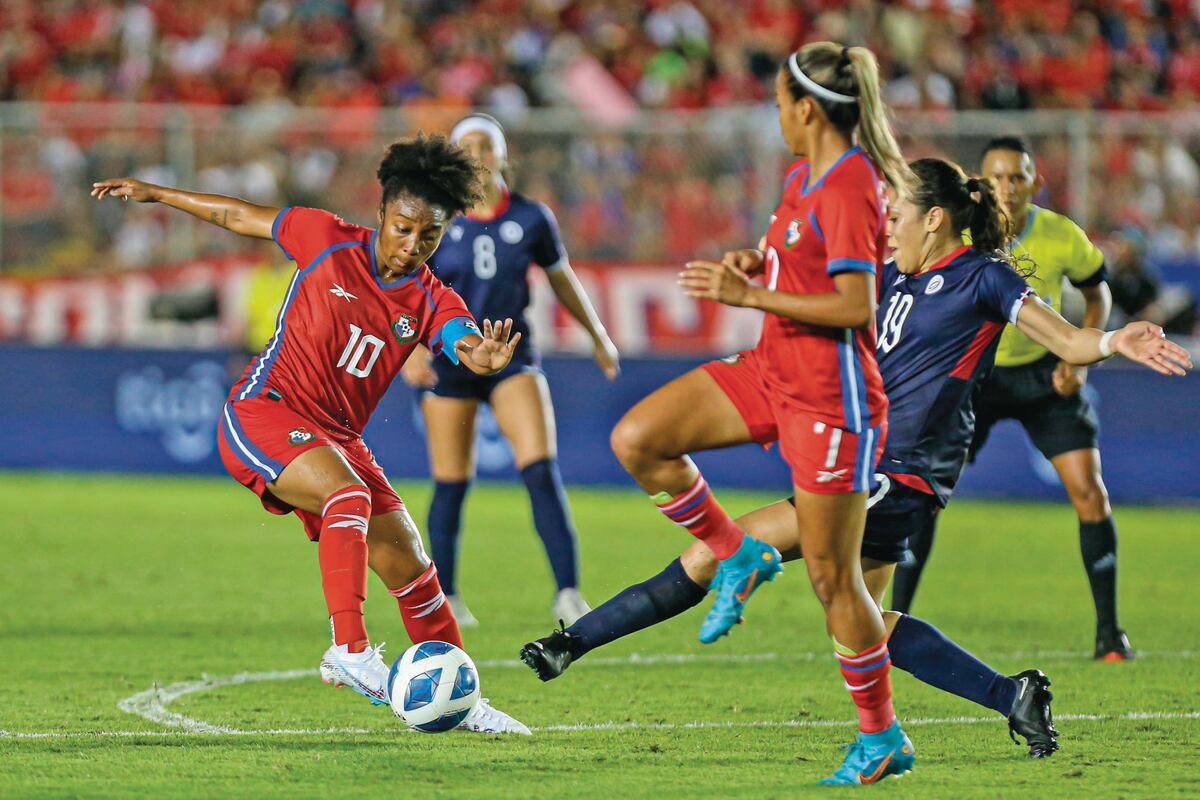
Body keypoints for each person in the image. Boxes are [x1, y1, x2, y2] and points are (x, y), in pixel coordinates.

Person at [521, 159, 1191, 763]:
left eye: (897, 213)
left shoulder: (983, 276)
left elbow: (1067, 339)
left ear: (935, 219)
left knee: (719, 554)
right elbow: (822, 279)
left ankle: (570, 644)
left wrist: (1115, 339)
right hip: (865, 457)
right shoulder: (891, 272)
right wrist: (761, 264)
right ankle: (1011, 694)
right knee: (865, 622)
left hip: (897, 472)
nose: (887, 223)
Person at [91, 135, 531, 734]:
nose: (411, 246)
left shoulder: (431, 297)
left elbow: (467, 345)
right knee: (347, 496)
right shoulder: (325, 239)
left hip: (338, 438)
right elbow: (237, 214)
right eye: (403, 228)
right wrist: (157, 193)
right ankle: (349, 651)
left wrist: (487, 358)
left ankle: (463, 699)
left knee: (414, 567)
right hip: (264, 412)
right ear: (381, 213)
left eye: (428, 237)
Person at [594, 43, 914, 785]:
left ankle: (882, 735)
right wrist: (757, 265)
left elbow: (855, 304)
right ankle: (735, 551)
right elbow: (800, 267)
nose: (774, 115)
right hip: (773, 370)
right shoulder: (804, 175)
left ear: (806, 108)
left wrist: (750, 297)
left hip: (834, 402)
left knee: (837, 583)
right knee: (640, 439)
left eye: (777, 103)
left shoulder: (849, 183)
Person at [889, 137, 1134, 661]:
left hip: (1045, 379)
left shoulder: (1060, 234)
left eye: (1017, 178)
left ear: (1033, 183)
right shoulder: (964, 235)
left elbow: (1098, 291)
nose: (1007, 187)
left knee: (1090, 493)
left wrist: (1079, 355)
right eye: (997, 177)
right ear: (982, 183)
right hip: (975, 380)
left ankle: (1110, 634)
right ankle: (895, 618)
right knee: (918, 498)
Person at [401, 113, 619, 627]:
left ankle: (568, 593)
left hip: (512, 356)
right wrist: (409, 348)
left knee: (540, 469)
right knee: (451, 481)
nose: (477, 153)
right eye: (468, 145)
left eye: (486, 144)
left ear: (502, 155)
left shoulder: (533, 217)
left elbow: (562, 280)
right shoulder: (437, 216)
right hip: (451, 357)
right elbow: (407, 288)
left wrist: (598, 336)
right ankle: (446, 597)